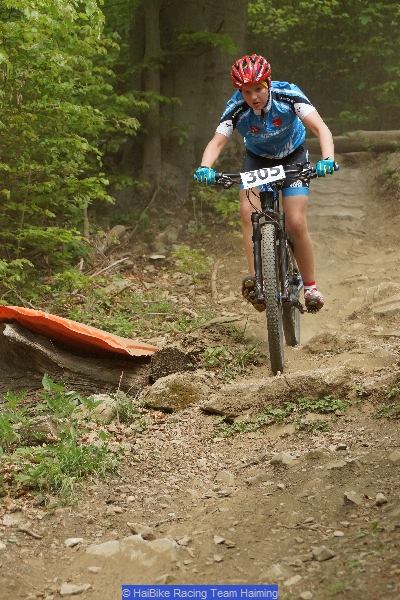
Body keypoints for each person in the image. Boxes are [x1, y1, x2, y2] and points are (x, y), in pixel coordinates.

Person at [194, 54, 336, 312]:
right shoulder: (236, 107)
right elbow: (217, 142)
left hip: (293, 156)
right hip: (258, 161)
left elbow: (320, 128)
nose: (253, 97)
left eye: (258, 89)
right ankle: (258, 283)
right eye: (246, 91)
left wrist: (327, 159)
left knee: (295, 222)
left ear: (268, 83)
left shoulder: (288, 95)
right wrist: (205, 167)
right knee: (248, 213)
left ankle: (311, 287)